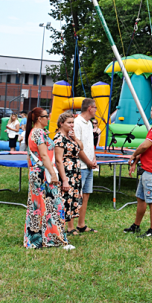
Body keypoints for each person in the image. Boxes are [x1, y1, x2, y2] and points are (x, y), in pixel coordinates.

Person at [24, 107, 73, 250]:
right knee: (53, 205)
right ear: (39, 119)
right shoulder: (38, 133)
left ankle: (38, 239)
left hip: (37, 173)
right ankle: (54, 239)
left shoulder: (35, 132)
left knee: (38, 207)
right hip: (43, 173)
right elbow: (44, 155)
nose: (48, 118)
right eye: (46, 116)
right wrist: (53, 173)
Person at [124, 102, 152, 238]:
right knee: (141, 198)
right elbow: (147, 149)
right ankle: (136, 226)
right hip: (146, 168)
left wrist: (133, 155)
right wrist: (137, 161)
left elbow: (144, 145)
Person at [53, 111, 85, 235]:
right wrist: (64, 179)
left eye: (73, 122)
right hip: (66, 174)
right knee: (64, 201)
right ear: (61, 123)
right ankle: (59, 229)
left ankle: (69, 228)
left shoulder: (69, 137)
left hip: (75, 174)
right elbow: (58, 160)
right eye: (69, 123)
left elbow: (80, 148)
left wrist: (75, 138)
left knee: (71, 200)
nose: (72, 125)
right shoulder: (59, 138)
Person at [74, 98, 99, 234]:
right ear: (90, 108)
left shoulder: (89, 123)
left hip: (89, 165)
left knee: (86, 195)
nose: (96, 110)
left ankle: (81, 225)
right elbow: (77, 147)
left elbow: (90, 144)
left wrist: (93, 159)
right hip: (81, 166)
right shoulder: (77, 123)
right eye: (95, 107)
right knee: (75, 196)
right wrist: (88, 162)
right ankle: (70, 226)